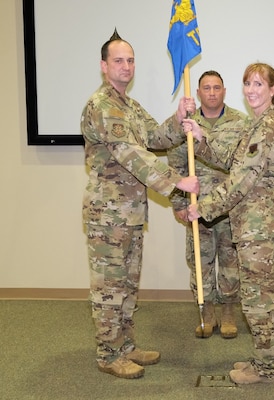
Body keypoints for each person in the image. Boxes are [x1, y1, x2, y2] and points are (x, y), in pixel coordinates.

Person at [80, 29, 199, 379]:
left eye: (130, 60)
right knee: (109, 286)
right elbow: (132, 155)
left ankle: (126, 346)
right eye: (118, 60)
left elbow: (153, 138)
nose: (126, 66)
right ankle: (108, 353)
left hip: (130, 212)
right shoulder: (102, 106)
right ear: (104, 66)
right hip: (108, 215)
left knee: (128, 284)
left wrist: (179, 119)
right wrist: (176, 181)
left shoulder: (128, 105)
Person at [184, 62, 274, 385]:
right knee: (259, 297)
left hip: (258, 224)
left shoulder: (267, 127)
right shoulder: (255, 126)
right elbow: (232, 159)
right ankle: (267, 357)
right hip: (250, 223)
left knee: (258, 301)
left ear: (272, 91)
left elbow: (241, 180)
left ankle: (268, 369)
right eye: (247, 84)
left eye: (259, 84)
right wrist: (201, 139)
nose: (251, 90)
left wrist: (204, 208)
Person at [168, 70, 246, 339]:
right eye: (206, 88)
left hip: (229, 208)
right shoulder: (186, 123)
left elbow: (244, 168)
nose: (212, 93)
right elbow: (176, 165)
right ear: (198, 93)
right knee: (199, 262)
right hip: (196, 208)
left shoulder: (241, 123)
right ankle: (206, 311)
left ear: (224, 91)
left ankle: (227, 311)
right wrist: (178, 202)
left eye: (217, 88)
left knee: (230, 262)